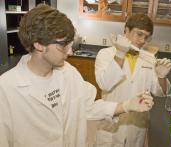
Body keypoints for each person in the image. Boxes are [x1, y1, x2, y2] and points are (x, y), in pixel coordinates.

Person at [0, 5, 154, 147]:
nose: (70, 52)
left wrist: (126, 105)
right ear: (39, 44)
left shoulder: (69, 73)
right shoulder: (6, 89)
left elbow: (88, 107)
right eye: (63, 45)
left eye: (70, 44)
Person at [94, 13, 171, 147]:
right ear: (126, 31)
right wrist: (120, 54)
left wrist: (162, 77)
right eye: (139, 34)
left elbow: (161, 92)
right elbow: (105, 84)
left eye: (146, 37)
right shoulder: (105, 54)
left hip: (137, 126)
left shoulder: (149, 59)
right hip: (112, 124)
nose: (142, 40)